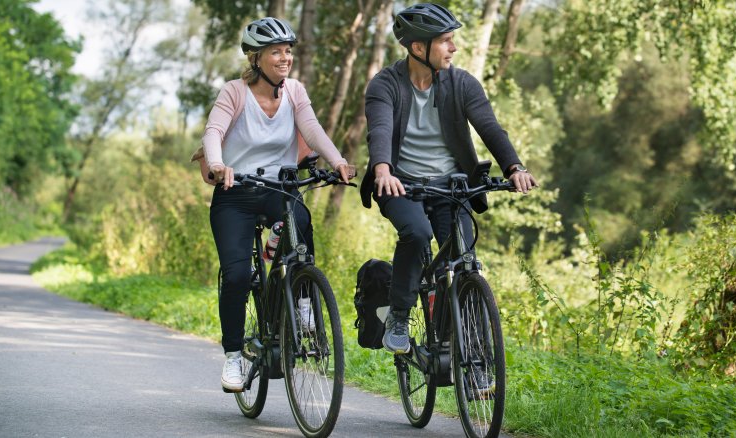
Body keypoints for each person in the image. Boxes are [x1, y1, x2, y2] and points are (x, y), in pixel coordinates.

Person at [360, 2, 538, 360]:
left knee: (462, 259)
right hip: (401, 184)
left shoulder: (461, 83)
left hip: (451, 186)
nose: (453, 48)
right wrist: (382, 168)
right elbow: (378, 128)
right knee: (416, 233)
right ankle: (398, 316)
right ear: (417, 47)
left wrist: (514, 167)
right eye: (445, 41)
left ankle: (470, 356)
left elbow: (489, 127)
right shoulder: (385, 84)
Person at [190, 17, 351, 393]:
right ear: (256, 57)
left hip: (280, 189)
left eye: (288, 51)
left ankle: (303, 305)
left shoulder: (294, 91)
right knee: (238, 276)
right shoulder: (234, 92)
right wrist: (217, 164)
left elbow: (311, 129)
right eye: (276, 52)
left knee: (300, 224)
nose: (285, 58)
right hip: (236, 194)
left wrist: (338, 160)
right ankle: (233, 355)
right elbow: (213, 131)